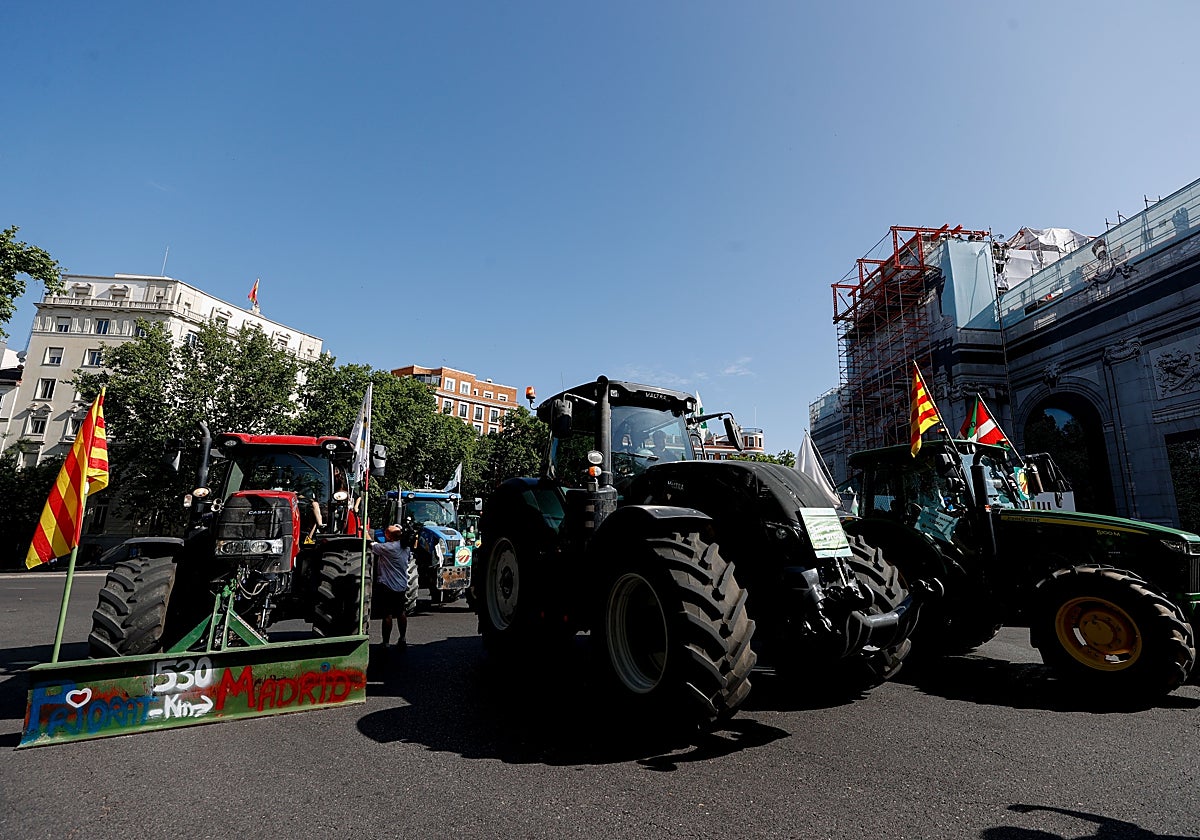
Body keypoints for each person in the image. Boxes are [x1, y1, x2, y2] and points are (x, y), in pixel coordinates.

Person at [370, 524, 411, 649]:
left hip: (388, 585)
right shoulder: (405, 547)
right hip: (401, 585)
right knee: (401, 613)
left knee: (387, 615)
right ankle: (403, 638)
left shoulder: (389, 548)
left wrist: (366, 530)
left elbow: (371, 544)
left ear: (388, 536)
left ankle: (386, 642)